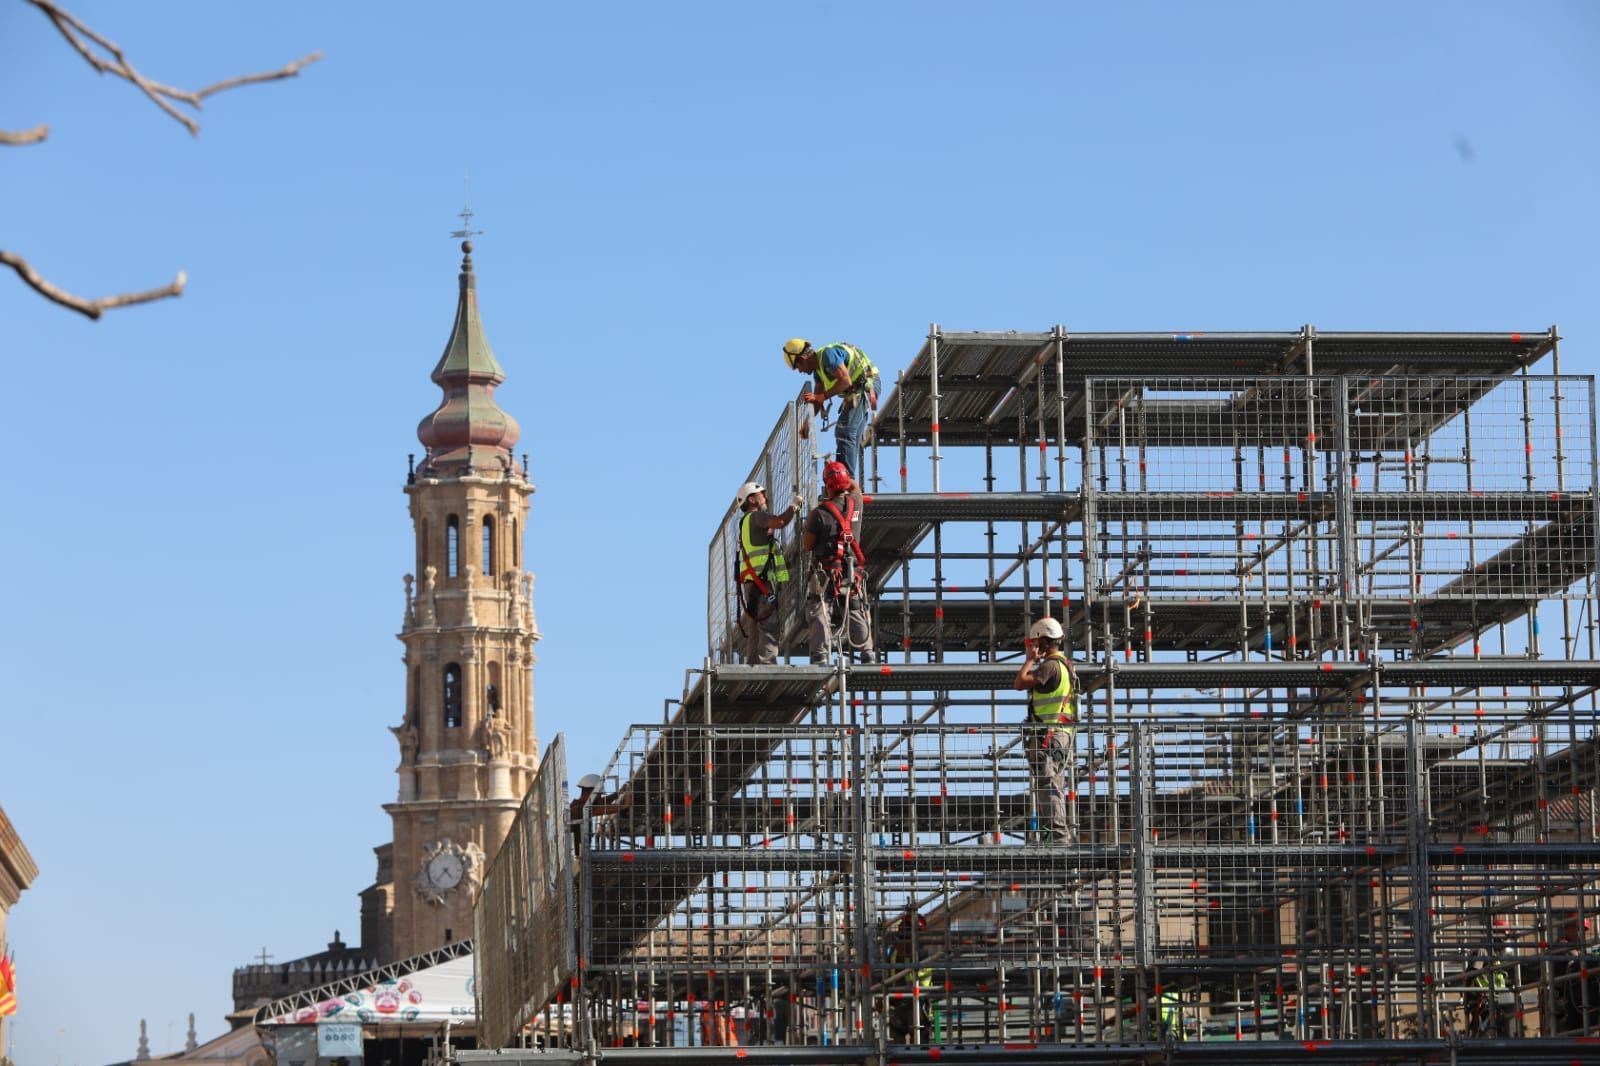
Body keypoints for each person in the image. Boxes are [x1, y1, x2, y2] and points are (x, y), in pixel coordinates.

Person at [1012, 616, 1078, 843]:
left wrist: (1030, 660)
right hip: (1060, 734)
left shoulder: (1049, 666)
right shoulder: (1066, 665)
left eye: (1034, 642)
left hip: (1047, 735)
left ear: (1042, 641)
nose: (1032, 646)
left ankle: (1057, 835)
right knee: (1053, 784)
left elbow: (1019, 683)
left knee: (1048, 785)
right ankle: (1054, 834)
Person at [802, 461, 874, 664]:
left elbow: (807, 545)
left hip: (826, 571)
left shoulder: (819, 514)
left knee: (820, 610)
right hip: (850, 571)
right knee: (854, 607)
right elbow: (856, 488)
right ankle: (867, 652)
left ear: (827, 486)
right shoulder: (856, 504)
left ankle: (821, 655)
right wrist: (840, 473)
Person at [783, 338, 880, 481]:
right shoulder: (818, 372)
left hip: (865, 387)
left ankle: (846, 480)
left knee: (845, 431)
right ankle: (843, 478)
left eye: (798, 367)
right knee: (850, 435)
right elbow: (817, 399)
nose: (800, 371)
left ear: (802, 359)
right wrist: (807, 423)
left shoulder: (828, 355)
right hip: (856, 393)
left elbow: (845, 381)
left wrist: (823, 396)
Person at [734, 481, 803, 664]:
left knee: (757, 624)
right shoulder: (756, 517)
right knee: (768, 622)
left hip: (752, 581)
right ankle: (767, 663)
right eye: (761, 494)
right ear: (752, 499)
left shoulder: (746, 522)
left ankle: (754, 663)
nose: (765, 497)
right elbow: (781, 521)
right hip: (761, 581)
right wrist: (793, 506)